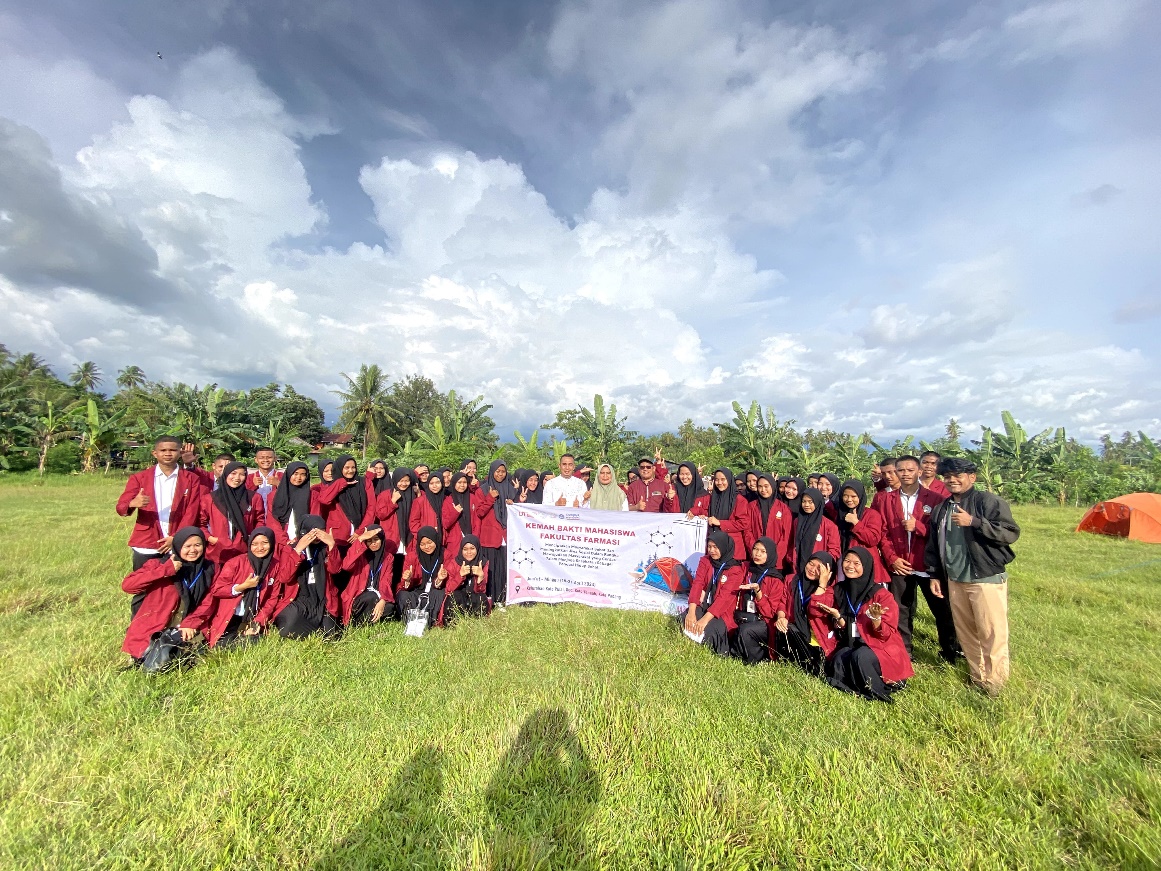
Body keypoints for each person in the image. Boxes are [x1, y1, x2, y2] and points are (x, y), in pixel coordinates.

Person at [925, 458, 1020, 695]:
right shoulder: (942, 509)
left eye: (957, 475)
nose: (952, 480)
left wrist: (974, 522)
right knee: (966, 632)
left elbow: (1010, 533)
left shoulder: (987, 502)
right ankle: (978, 678)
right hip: (955, 579)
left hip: (984, 577)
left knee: (991, 631)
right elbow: (934, 545)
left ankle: (995, 682)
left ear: (972, 477)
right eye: (947, 477)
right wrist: (935, 574)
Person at [877, 455, 958, 662]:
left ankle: (950, 651)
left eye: (910, 470)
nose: (905, 474)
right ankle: (904, 651)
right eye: (901, 470)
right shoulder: (885, 499)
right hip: (899, 565)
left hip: (927, 565)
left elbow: (942, 533)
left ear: (919, 472)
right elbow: (882, 532)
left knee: (942, 610)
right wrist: (891, 558)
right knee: (901, 611)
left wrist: (919, 527)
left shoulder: (935, 499)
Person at [179, 527, 305, 649]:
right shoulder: (235, 563)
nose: (260, 548)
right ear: (249, 545)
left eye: (265, 543)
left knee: (255, 643)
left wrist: (258, 622)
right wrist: (242, 587)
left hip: (252, 617)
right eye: (255, 544)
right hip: (231, 617)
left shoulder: (274, 566)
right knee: (224, 645)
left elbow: (271, 599)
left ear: (271, 543)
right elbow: (217, 590)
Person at [827, 547, 913, 702]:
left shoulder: (881, 595)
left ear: (866, 566)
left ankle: (881, 689)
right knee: (839, 658)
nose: (850, 566)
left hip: (879, 645)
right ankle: (855, 688)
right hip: (854, 642)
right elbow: (840, 623)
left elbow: (887, 633)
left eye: (856, 563)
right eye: (846, 561)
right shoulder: (840, 589)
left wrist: (876, 619)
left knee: (861, 657)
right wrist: (838, 618)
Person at [119, 526, 215, 663]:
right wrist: (165, 570)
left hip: (186, 626)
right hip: (155, 625)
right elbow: (128, 586)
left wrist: (190, 623)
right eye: (187, 546)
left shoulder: (209, 568)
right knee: (150, 662)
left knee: (194, 660)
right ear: (178, 545)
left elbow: (209, 600)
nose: (193, 550)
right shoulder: (160, 564)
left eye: (197, 545)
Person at [116, 435, 207, 572]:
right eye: (163, 450)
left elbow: (191, 511)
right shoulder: (140, 478)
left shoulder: (191, 479)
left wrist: (176, 538)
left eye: (172, 450)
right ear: (155, 453)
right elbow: (121, 507)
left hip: (178, 541)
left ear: (180, 452)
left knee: (175, 586)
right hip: (146, 540)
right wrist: (132, 504)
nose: (168, 454)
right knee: (144, 583)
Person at [272, 515, 343, 639]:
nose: (317, 536)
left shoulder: (325, 547)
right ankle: (312, 629)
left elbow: (335, 570)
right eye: (313, 532)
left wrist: (332, 545)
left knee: (332, 636)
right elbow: (284, 578)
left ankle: (315, 628)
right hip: (299, 600)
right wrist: (299, 550)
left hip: (322, 600)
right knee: (288, 628)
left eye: (320, 531)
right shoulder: (291, 549)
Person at [770, 552, 837, 676]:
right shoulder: (792, 580)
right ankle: (786, 662)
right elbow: (782, 602)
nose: (812, 569)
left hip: (816, 642)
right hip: (794, 631)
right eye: (811, 564)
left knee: (791, 630)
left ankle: (808, 665)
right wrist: (781, 617)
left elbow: (814, 610)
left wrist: (822, 584)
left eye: (819, 568)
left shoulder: (829, 592)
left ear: (827, 573)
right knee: (783, 627)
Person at [682, 530, 744, 657]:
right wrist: (691, 612)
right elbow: (697, 584)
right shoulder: (705, 561)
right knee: (685, 620)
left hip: (721, 613)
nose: (711, 550)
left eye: (715, 547)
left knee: (708, 630)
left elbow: (724, 599)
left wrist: (704, 620)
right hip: (705, 605)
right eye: (709, 546)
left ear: (724, 547)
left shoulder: (735, 570)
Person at [201, 460, 266, 567]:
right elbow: (201, 523)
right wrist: (211, 539)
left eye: (242, 474)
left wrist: (253, 537)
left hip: (244, 550)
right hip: (217, 552)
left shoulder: (253, 498)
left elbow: (260, 520)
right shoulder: (210, 499)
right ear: (226, 474)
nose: (237, 478)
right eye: (233, 473)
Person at [734, 537, 784, 664]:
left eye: (763, 551)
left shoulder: (776, 579)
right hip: (744, 615)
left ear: (770, 554)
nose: (757, 554)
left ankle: (756, 659)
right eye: (755, 549)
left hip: (764, 621)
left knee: (746, 630)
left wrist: (758, 591)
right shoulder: (746, 569)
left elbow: (770, 613)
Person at [834, 480, 890, 583]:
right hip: (846, 565)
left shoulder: (871, 514)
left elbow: (873, 539)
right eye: (845, 496)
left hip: (866, 565)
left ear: (860, 496)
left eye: (853, 496)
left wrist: (856, 523)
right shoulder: (839, 515)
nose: (849, 499)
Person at [340, 525, 397, 627]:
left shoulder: (388, 557)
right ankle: (357, 624)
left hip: (377, 595)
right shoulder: (360, 555)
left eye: (376, 539)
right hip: (359, 596)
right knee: (370, 597)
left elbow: (386, 581)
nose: (373, 543)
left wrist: (383, 600)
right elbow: (346, 565)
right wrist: (360, 538)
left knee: (389, 607)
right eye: (369, 540)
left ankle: (365, 623)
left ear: (382, 540)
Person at [479, 460, 516, 606]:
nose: (500, 474)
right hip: (489, 537)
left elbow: (518, 512)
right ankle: (490, 599)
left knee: (504, 569)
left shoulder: (511, 490)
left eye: (503, 471)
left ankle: (503, 598)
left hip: (506, 537)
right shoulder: (483, 489)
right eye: (497, 471)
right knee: (492, 569)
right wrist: (490, 498)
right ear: (492, 472)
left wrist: (516, 504)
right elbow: (480, 512)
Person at [317, 455, 374, 547]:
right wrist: (341, 483)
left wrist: (360, 531)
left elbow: (371, 508)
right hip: (338, 535)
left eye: (353, 467)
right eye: (346, 468)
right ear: (340, 468)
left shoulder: (364, 483)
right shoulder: (332, 485)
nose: (351, 471)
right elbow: (324, 500)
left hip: (360, 534)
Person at [396, 526, 448, 629]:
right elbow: (405, 584)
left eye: (429, 542)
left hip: (435, 590)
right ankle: (411, 622)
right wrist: (407, 580)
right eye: (422, 544)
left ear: (436, 540)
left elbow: (449, 583)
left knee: (438, 594)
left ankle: (429, 622)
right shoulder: (412, 556)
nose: (426, 547)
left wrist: (440, 580)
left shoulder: (446, 555)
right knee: (403, 595)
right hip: (417, 590)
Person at [376, 467, 416, 587]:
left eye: (407, 480)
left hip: (409, 538)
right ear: (395, 480)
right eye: (401, 480)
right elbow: (380, 515)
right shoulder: (385, 495)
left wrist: (418, 494)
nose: (404, 483)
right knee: (390, 569)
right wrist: (392, 501)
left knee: (406, 569)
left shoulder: (415, 494)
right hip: (392, 538)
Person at [787, 487, 840, 574]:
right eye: (804, 501)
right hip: (798, 568)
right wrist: (791, 558)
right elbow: (792, 543)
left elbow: (834, 550)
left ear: (818, 502)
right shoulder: (797, 521)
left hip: (817, 571)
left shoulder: (829, 525)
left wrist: (820, 565)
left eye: (810, 502)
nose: (806, 505)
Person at [703, 468, 752, 559]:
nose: (719, 482)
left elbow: (744, 523)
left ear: (729, 480)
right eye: (716, 480)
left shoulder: (739, 500)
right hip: (714, 548)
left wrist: (720, 523)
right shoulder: (713, 498)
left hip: (732, 549)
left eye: (723, 479)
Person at [748, 473, 792, 569]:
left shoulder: (784, 509)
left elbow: (786, 536)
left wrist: (774, 556)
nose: (763, 490)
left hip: (775, 561)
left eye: (766, 486)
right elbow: (748, 531)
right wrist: (755, 551)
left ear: (772, 486)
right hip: (756, 557)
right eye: (760, 486)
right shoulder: (751, 506)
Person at [442, 471, 483, 567]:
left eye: (464, 482)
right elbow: (446, 524)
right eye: (459, 482)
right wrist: (455, 512)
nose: (462, 485)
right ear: (454, 483)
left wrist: (474, 538)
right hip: (455, 541)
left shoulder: (472, 498)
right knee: (456, 568)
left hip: (472, 540)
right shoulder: (448, 500)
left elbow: (477, 520)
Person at [446, 534, 490, 619]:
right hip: (459, 599)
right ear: (461, 550)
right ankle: (452, 626)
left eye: (472, 548)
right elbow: (448, 589)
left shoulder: (483, 563)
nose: (469, 552)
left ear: (477, 549)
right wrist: (460, 575)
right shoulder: (455, 562)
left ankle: (479, 624)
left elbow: (482, 591)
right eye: (465, 549)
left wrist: (480, 577)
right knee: (454, 596)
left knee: (481, 597)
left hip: (473, 598)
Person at [268, 461, 312, 544]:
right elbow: (273, 522)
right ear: (288, 474)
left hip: (304, 540)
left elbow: (313, 519)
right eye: (295, 473)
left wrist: (299, 539)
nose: (299, 477)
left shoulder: (312, 495)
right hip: (281, 541)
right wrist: (284, 541)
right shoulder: (274, 496)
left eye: (303, 474)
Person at [408, 474, 447, 550]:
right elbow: (413, 523)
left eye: (437, 483)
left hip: (443, 541)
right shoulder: (420, 501)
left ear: (442, 483)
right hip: (425, 542)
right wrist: (424, 536)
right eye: (431, 483)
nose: (435, 486)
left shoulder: (447, 500)